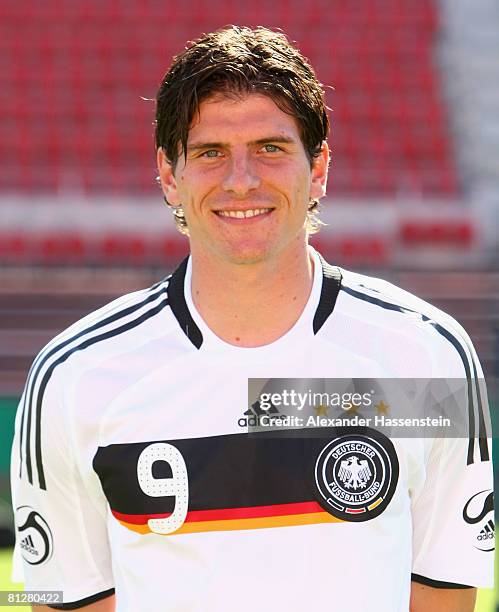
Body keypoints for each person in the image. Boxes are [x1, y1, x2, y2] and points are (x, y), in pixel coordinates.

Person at [10, 25, 493, 612]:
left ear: (318, 168)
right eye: (211, 152)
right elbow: (61, 599)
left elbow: (445, 590)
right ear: (169, 174)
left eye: (270, 148)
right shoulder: (74, 375)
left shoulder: (426, 355)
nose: (241, 179)